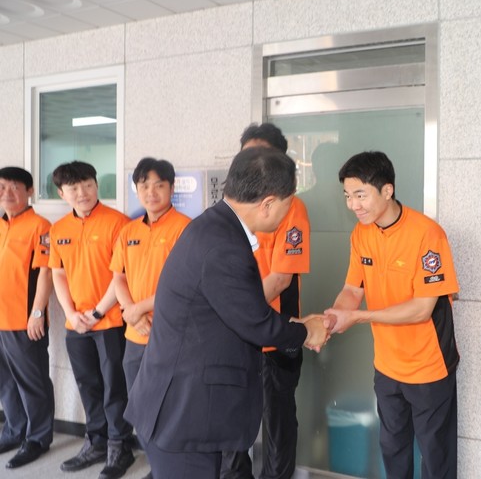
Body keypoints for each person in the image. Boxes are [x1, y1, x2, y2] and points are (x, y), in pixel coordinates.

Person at [124, 147, 330, 479]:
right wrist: (307, 332)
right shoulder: (224, 246)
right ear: (267, 204)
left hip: (184, 404)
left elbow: (239, 308)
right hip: (183, 416)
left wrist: (293, 323)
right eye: (289, 203)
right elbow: (256, 323)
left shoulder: (214, 226)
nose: (289, 212)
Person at [324, 151, 460, 479]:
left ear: (387, 190)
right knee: (393, 448)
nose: (353, 205)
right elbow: (352, 290)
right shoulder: (361, 234)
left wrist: (359, 317)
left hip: (428, 366)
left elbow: (422, 309)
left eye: (360, 195)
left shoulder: (427, 234)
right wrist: (334, 318)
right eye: (347, 196)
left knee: (435, 455)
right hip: (387, 365)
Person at [220, 123, 311, 479]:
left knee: (277, 420)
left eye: (259, 154)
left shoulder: (291, 207)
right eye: (246, 153)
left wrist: (239, 311)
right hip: (237, 334)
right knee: (231, 417)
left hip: (275, 336)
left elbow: (281, 278)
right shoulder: (232, 208)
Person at [48, 161, 135, 479]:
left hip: (109, 322)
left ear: (97, 186)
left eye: (87, 185)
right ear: (62, 193)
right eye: (73, 188)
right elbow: (58, 274)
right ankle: (96, 442)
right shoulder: (59, 230)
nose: (82, 193)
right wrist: (71, 313)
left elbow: (121, 275)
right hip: (76, 325)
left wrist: (97, 311)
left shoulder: (118, 223)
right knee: (88, 385)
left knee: (114, 388)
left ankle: (119, 446)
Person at [109, 158, 191, 479]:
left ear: (171, 188)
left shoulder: (186, 228)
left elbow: (185, 283)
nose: (151, 192)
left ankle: (173, 468)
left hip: (171, 335)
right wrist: (131, 311)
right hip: (136, 335)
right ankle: (159, 466)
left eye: (159, 185)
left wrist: (137, 309)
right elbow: (118, 277)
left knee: (171, 405)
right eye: (144, 185)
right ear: (136, 189)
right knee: (140, 404)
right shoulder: (129, 230)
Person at [0, 167, 55, 469]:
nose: (7, 193)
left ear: (30, 191)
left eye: (14, 187)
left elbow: (45, 273)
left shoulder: (40, 226)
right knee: (5, 383)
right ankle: (14, 430)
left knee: (33, 383)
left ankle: (37, 438)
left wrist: (37, 313)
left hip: (23, 322)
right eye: (2, 186)